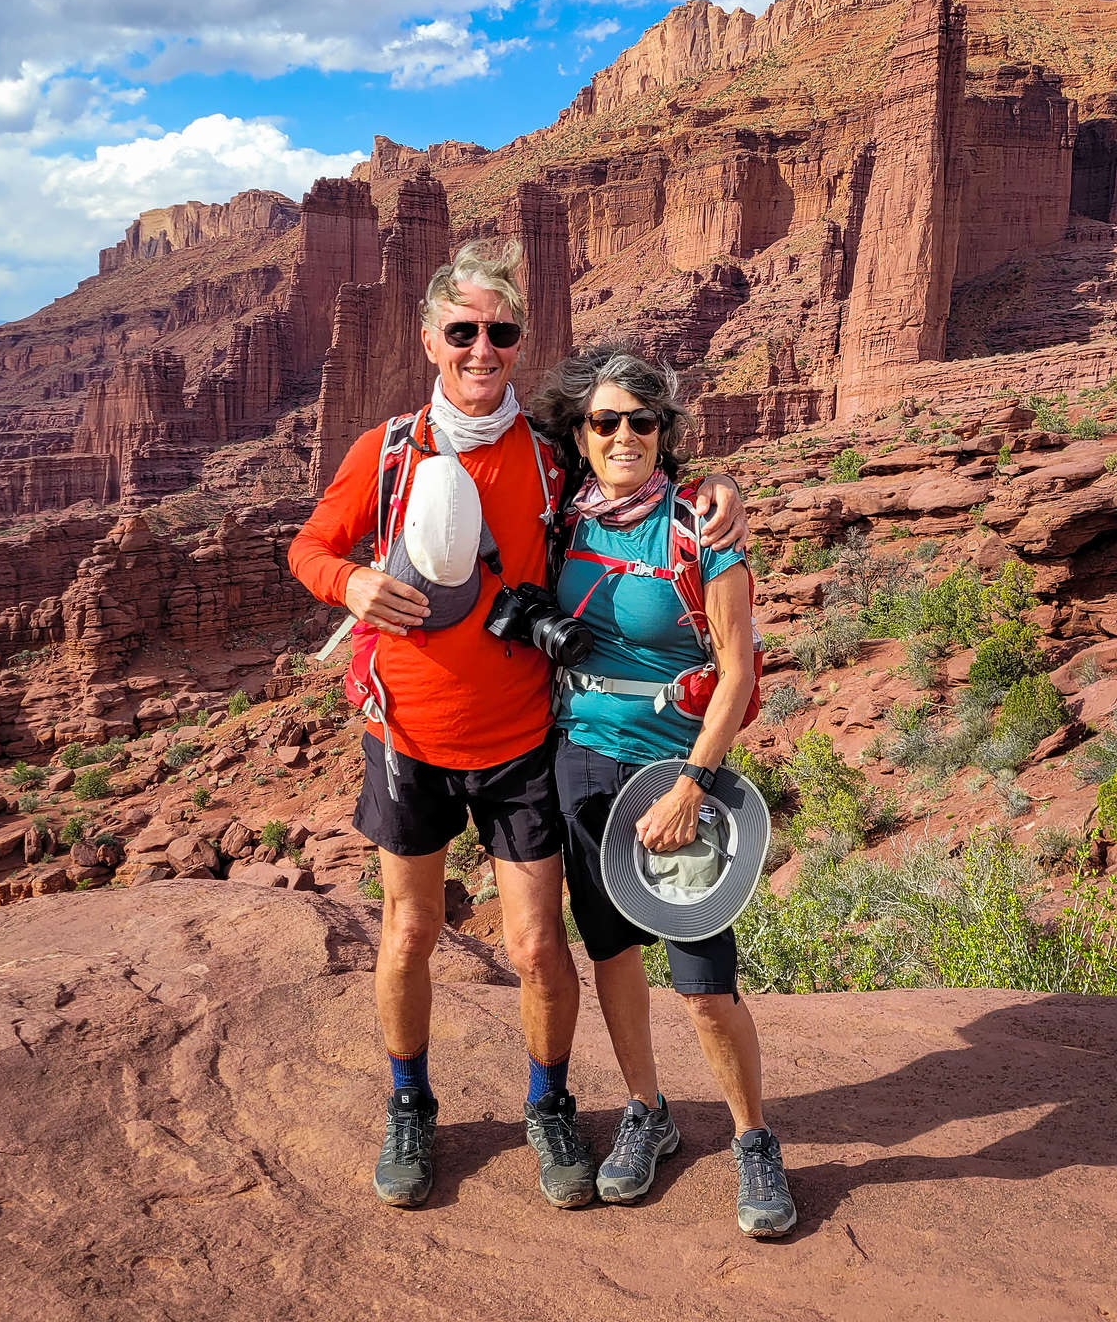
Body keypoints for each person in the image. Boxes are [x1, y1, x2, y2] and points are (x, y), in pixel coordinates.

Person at [287, 241, 749, 1210]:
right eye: (464, 331)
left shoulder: (547, 456)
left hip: (523, 742)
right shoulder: (386, 453)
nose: (483, 348)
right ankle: (409, 1102)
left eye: (501, 332)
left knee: (540, 948)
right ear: (429, 340)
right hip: (407, 735)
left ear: (519, 341)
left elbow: (635, 467)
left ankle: (550, 1102)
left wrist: (718, 492)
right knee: (410, 932)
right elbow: (309, 548)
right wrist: (354, 581)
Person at [530, 345, 797, 1237]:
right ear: (580, 432)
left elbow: (735, 669)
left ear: (664, 432)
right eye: (604, 421)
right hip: (580, 759)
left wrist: (693, 781)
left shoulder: (700, 530)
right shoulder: (564, 518)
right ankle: (647, 1112)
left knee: (703, 984)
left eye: (641, 422)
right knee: (612, 956)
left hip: (674, 772)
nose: (623, 436)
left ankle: (753, 1139)